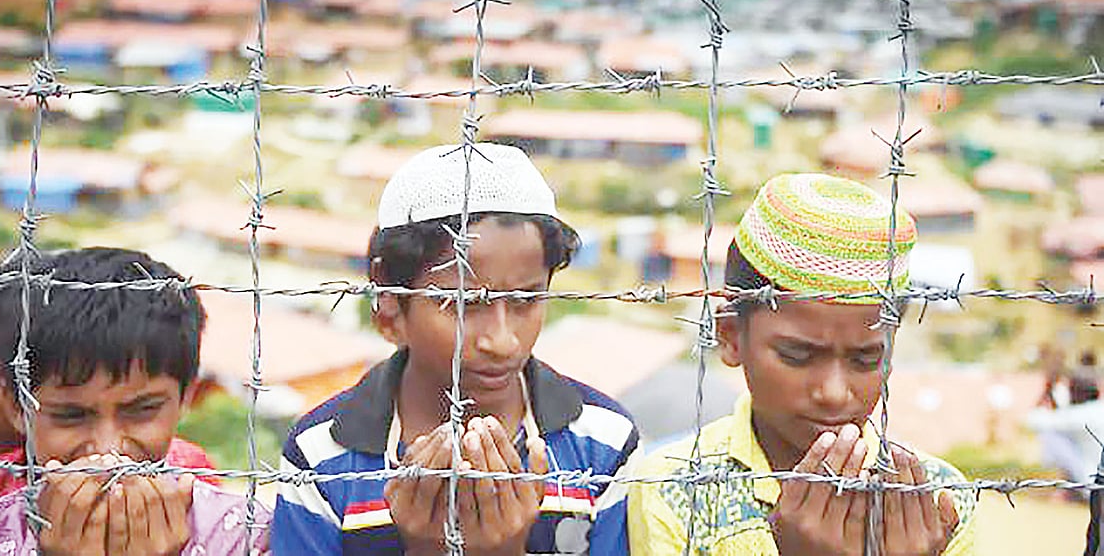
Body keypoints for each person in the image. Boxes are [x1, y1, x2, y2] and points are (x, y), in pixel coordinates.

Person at [272, 143, 640, 555]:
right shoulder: (322, 456)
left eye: (526, 300)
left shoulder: (602, 444)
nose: (502, 341)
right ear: (390, 294)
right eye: (464, 304)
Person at [627, 173, 977, 555]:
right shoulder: (679, 489)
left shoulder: (932, 501)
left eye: (866, 359)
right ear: (729, 336)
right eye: (797, 356)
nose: (833, 392)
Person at [0, 247, 269, 555]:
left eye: (143, 410)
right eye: (71, 415)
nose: (108, 449)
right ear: (17, 408)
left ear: (186, 397)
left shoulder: (248, 538)